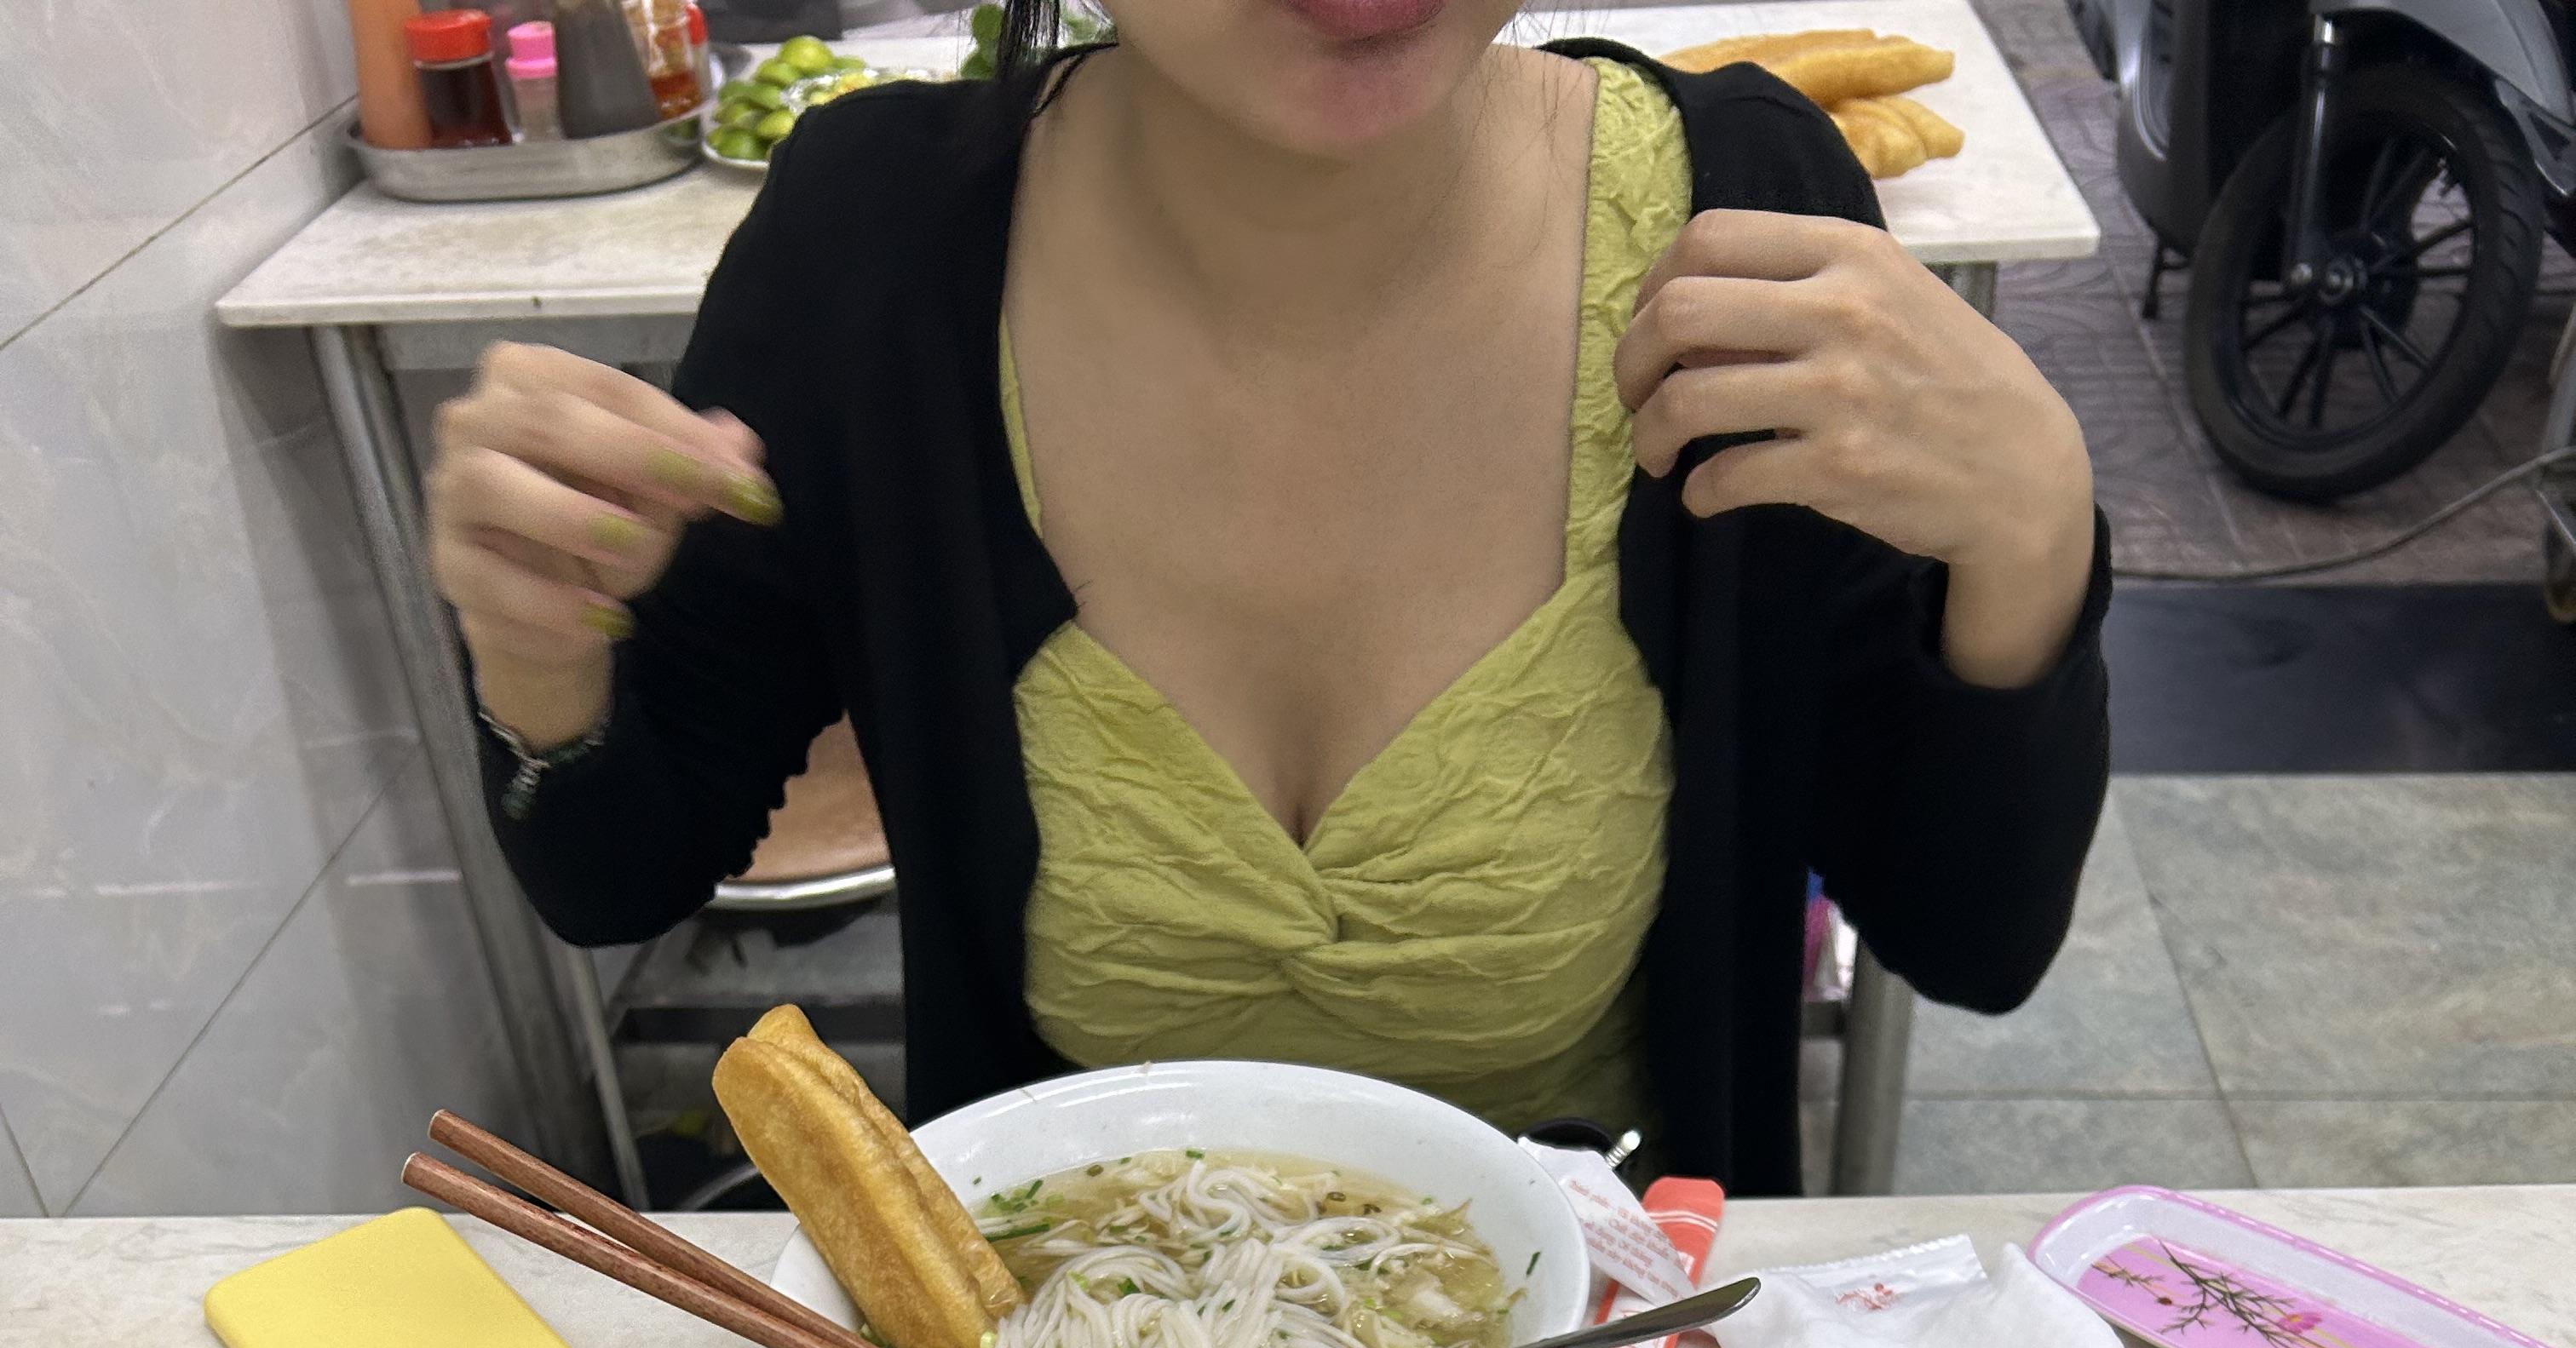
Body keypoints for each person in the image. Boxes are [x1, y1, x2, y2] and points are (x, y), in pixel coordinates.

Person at [429, 0, 2108, 1193]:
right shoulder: (873, 247)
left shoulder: (1742, 224)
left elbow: (1968, 940)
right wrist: (540, 655)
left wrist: (2029, 531)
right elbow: (617, 868)